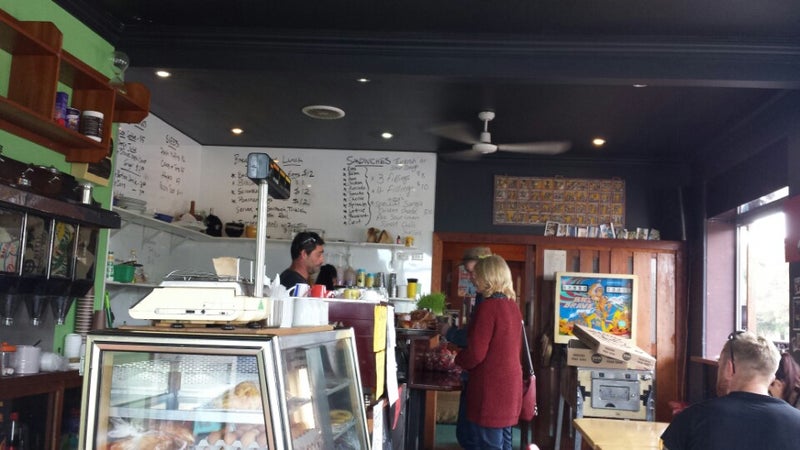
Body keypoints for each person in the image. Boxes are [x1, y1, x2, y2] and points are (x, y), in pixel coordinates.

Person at [661, 330, 800, 450]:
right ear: (772, 377)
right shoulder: (796, 423)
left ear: (729, 368)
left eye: (719, 364)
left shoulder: (693, 418)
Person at [454, 254, 523, 450]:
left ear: (488, 276)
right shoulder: (512, 306)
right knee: (505, 443)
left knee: (487, 444)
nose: (473, 279)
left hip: (491, 390)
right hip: (510, 387)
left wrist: (458, 360)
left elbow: (476, 353)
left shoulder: (488, 307)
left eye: (477, 274)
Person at [435, 247, 492, 447]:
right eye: (468, 272)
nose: (471, 277)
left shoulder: (491, 301)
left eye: (473, 272)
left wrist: (449, 333)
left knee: (472, 436)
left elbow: (474, 342)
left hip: (484, 377)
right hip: (479, 375)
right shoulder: (486, 298)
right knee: (471, 434)